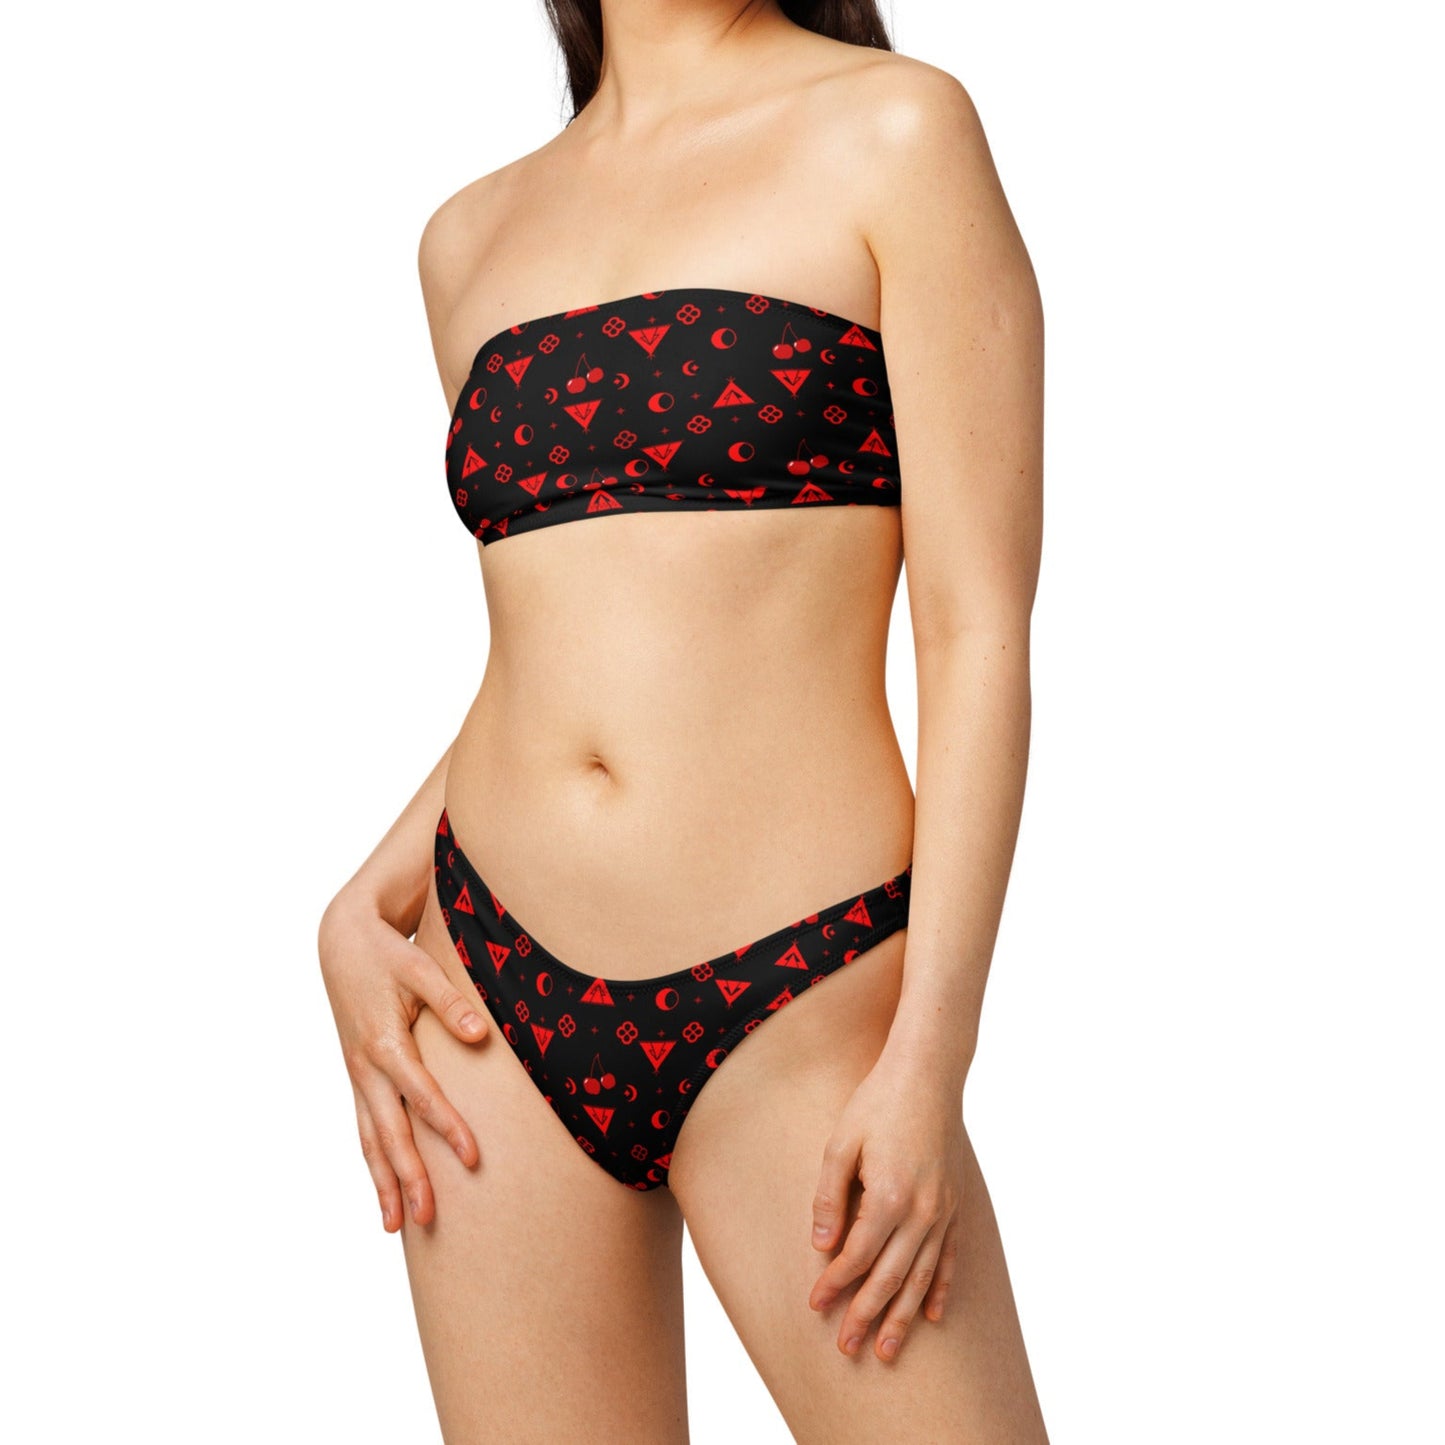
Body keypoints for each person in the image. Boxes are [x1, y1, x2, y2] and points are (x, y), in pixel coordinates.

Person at [317, 1, 1048, 1438]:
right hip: (488, 994)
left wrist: (930, 1055)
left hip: (798, 988)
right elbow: (569, 640)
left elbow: (978, 633)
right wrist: (366, 897)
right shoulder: (466, 238)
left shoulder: (895, 131)